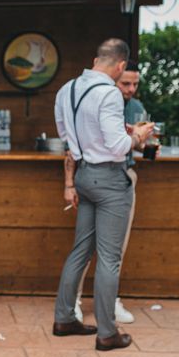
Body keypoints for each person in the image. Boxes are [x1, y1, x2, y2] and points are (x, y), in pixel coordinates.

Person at [53, 38, 154, 351]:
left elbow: (64, 134)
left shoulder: (66, 89)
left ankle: (64, 318)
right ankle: (108, 333)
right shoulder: (109, 92)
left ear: (97, 59)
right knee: (110, 258)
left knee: (81, 250)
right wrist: (137, 136)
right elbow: (118, 146)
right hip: (109, 180)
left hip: (83, 174)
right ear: (120, 65)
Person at [72, 60, 145, 325]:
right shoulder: (96, 101)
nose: (131, 89)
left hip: (123, 176)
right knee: (84, 248)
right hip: (96, 177)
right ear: (113, 77)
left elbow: (129, 147)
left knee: (115, 249)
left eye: (135, 83)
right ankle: (75, 301)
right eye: (126, 83)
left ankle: (110, 302)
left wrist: (143, 144)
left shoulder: (135, 108)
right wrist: (69, 184)